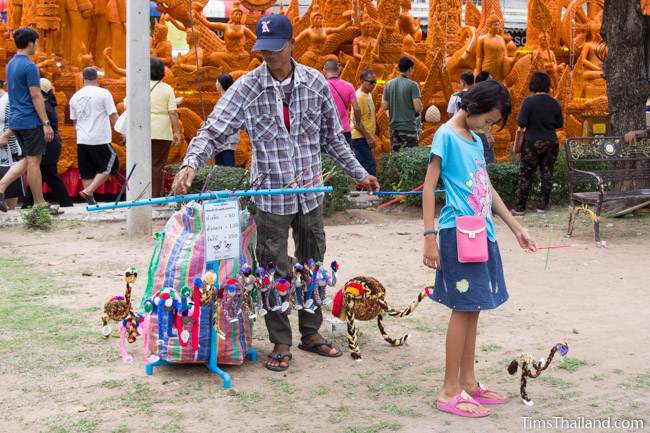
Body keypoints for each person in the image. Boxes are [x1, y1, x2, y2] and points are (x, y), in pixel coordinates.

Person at [171, 14, 379, 373]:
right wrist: (191, 163)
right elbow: (214, 129)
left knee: (313, 262)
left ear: (291, 44)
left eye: (276, 49)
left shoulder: (316, 84)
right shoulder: (247, 87)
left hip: (310, 191)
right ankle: (281, 339)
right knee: (273, 268)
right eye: (263, 51)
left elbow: (333, 138)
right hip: (270, 196)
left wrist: (361, 173)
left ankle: (311, 332)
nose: (269, 57)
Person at [422, 80, 537, 418]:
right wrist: (430, 236)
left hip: (479, 233)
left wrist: (516, 228)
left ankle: (469, 381)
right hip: (457, 233)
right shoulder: (446, 135)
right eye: (488, 120)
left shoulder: (474, 140)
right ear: (473, 107)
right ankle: (448, 391)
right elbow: (429, 188)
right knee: (463, 307)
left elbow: (486, 188)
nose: (489, 128)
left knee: (473, 308)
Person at [0, 28, 56, 213]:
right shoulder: (30, 66)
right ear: (31, 43)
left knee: (27, 159)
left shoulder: (11, 64)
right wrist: (46, 122)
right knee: (33, 161)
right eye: (37, 42)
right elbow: (36, 95)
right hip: (29, 120)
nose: (37, 45)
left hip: (16, 120)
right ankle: (39, 203)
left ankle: (1, 186)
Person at [512, 72, 563, 215]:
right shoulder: (555, 103)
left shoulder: (528, 102)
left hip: (532, 143)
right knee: (547, 174)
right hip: (551, 142)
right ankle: (542, 206)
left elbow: (521, 123)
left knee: (526, 174)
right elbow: (559, 124)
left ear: (533, 84)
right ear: (547, 85)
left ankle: (520, 207)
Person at [69, 67, 119, 205]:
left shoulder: (74, 97)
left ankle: (90, 202)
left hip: (82, 139)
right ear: (97, 78)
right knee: (112, 164)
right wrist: (124, 132)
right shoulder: (103, 93)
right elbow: (113, 115)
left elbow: (75, 122)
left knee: (87, 171)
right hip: (99, 138)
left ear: (83, 79)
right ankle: (89, 191)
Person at [22, 78, 73, 208]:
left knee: (49, 175)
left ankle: (66, 203)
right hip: (50, 144)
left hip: (47, 145)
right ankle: (28, 203)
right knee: (43, 174)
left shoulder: (43, 107)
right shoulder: (47, 104)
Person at [150, 57, 181, 197]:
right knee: (157, 165)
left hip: (140, 129)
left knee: (141, 163)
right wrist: (176, 132)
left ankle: (138, 196)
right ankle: (155, 196)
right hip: (161, 131)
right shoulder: (167, 89)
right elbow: (173, 112)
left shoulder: (138, 86)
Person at [382, 56, 423, 152]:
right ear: (409, 69)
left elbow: (385, 106)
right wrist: (421, 106)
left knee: (396, 158)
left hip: (393, 128)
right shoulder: (413, 85)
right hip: (408, 127)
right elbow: (417, 108)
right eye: (412, 69)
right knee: (409, 159)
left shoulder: (388, 84)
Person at [322, 59, 360, 144]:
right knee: (345, 156)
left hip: (327, 130)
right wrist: (358, 123)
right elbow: (356, 108)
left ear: (324, 70)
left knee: (327, 157)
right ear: (338, 70)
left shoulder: (322, 86)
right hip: (344, 129)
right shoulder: (349, 86)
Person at [0, 82, 25, 210]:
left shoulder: (9, 99)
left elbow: (17, 120)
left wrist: (5, 135)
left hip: (9, 147)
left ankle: (10, 212)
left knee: (10, 181)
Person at [350, 69, 377, 176]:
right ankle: (369, 191)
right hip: (360, 138)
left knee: (367, 166)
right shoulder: (358, 96)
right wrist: (368, 137)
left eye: (375, 82)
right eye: (371, 82)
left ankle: (366, 190)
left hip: (366, 137)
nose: (373, 85)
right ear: (362, 81)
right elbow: (357, 122)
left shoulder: (368, 95)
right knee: (368, 167)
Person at [214, 73, 237, 167]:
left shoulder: (230, 99)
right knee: (219, 168)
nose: (215, 83)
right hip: (219, 138)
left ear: (220, 84)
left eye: (216, 81)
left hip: (227, 138)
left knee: (228, 168)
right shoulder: (222, 99)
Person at [473, 71, 496, 163]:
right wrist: (488, 136)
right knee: (489, 163)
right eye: (490, 80)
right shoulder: (484, 97)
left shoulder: (474, 94)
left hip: (473, 132)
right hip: (481, 133)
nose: (492, 83)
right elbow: (484, 117)